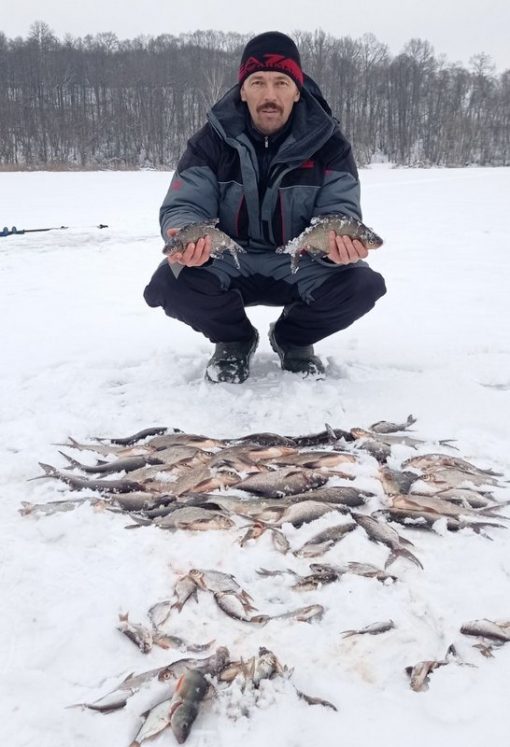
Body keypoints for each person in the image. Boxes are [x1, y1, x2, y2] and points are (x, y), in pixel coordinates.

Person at [144, 31, 386, 383]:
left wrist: (339, 251)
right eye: (257, 82)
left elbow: (341, 208)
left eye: (281, 82)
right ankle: (234, 340)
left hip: (300, 263)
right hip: (231, 260)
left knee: (362, 284)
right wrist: (184, 232)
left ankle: (294, 339)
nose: (269, 95)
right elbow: (186, 202)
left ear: (296, 90)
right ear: (243, 90)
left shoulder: (330, 145)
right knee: (168, 283)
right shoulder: (211, 141)